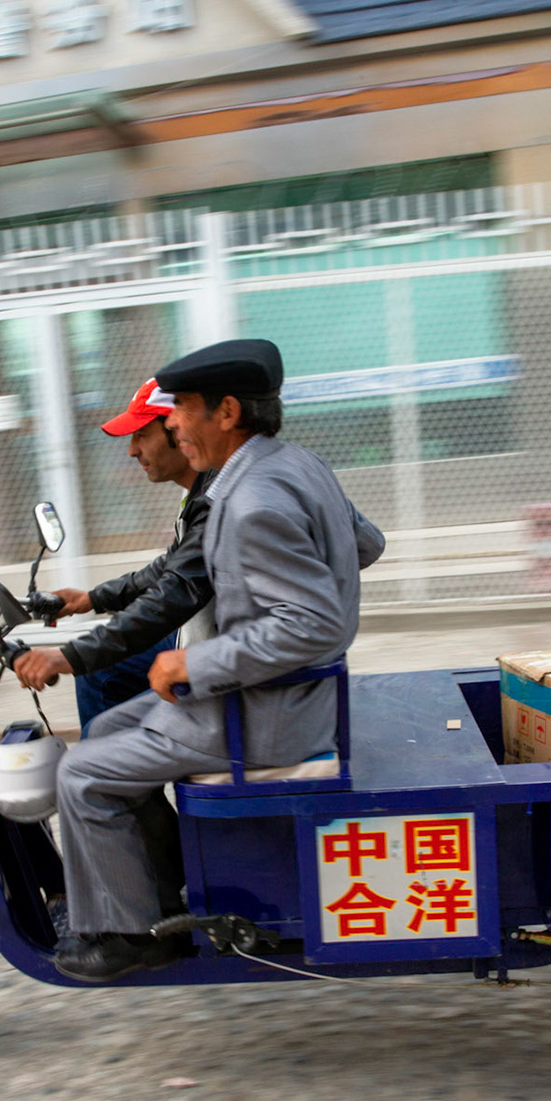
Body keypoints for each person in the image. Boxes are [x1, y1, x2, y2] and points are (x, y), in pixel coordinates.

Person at [51, 338, 385, 982]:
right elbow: (365, 544)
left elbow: (311, 623)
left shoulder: (250, 502)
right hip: (285, 697)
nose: (170, 424)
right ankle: (165, 891)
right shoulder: (295, 465)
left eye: (180, 410)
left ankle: (134, 936)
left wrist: (196, 665)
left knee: (81, 775)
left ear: (226, 412)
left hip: (263, 716)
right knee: (106, 730)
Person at [10, 377, 214, 729]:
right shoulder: (199, 493)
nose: (132, 450)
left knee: (99, 727)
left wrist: (67, 656)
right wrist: (90, 599)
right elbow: (169, 568)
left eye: (141, 435)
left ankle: (106, 774)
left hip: (209, 647)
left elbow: (170, 597)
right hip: (200, 631)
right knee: (98, 670)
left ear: (177, 429)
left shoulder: (213, 499)